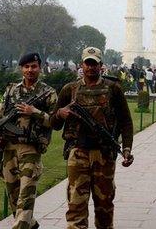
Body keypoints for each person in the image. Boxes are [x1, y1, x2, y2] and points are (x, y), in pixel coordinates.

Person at [51, 47, 134, 229]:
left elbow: (126, 122)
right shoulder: (69, 90)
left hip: (103, 154)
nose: (90, 68)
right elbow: (53, 123)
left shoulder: (113, 89)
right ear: (82, 65)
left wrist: (126, 148)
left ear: (101, 66)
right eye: (87, 63)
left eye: (94, 64)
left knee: (104, 206)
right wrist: (60, 114)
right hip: (78, 152)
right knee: (76, 205)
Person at [0, 53, 58, 229]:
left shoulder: (48, 93)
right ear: (21, 69)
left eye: (34, 66)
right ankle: (30, 224)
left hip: (31, 150)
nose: (30, 70)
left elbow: (56, 122)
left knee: (26, 197)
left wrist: (33, 111)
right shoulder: (11, 90)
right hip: (9, 149)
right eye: (26, 67)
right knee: (13, 196)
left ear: (40, 68)